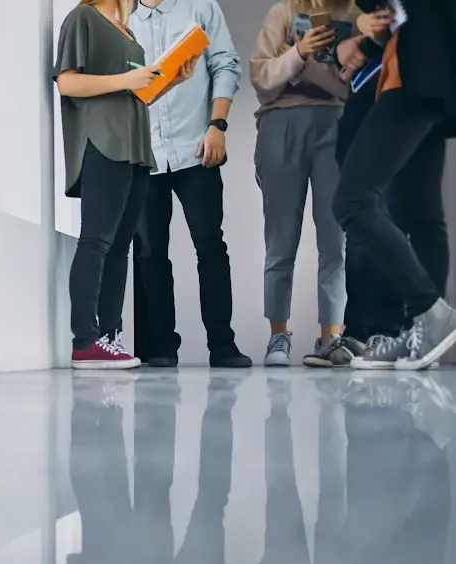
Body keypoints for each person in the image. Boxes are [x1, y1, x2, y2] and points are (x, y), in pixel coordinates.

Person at [55, 0, 197, 369]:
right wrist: (127, 79)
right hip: (102, 140)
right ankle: (84, 341)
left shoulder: (127, 31)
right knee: (97, 239)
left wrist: (173, 79)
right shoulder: (82, 17)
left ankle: (109, 338)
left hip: (135, 145)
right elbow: (67, 82)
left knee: (121, 246)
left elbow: (139, 94)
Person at [128, 0, 252, 369]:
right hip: (143, 153)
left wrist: (218, 126)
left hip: (197, 149)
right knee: (150, 253)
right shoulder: (124, 17)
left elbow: (225, 64)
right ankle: (162, 346)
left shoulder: (200, 7)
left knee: (210, 247)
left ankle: (223, 345)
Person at [336, 1, 456, 371]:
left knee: (352, 203)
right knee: (420, 215)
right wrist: (366, 45)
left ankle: (429, 312)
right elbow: (404, 12)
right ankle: (422, 335)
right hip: (420, 78)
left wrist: (357, 22)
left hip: (417, 81)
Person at [250, 0, 357, 368]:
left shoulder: (357, 16)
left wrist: (295, 65)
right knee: (280, 239)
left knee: (335, 239)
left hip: (337, 124)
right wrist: (299, 53)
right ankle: (277, 336)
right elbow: (261, 77)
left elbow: (355, 87)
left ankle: (331, 338)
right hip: (280, 125)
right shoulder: (284, 11)